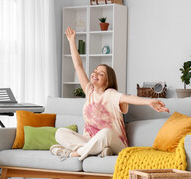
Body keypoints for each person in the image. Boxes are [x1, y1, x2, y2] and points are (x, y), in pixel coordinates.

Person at [50, 27, 169, 161]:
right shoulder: (90, 91)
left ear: (108, 81)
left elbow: (128, 98)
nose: (95, 74)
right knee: (60, 133)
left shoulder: (111, 94)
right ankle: (98, 150)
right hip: (93, 141)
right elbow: (78, 67)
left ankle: (75, 153)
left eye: (101, 74)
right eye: (95, 71)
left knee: (105, 133)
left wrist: (149, 101)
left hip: (116, 142)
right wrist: (72, 41)